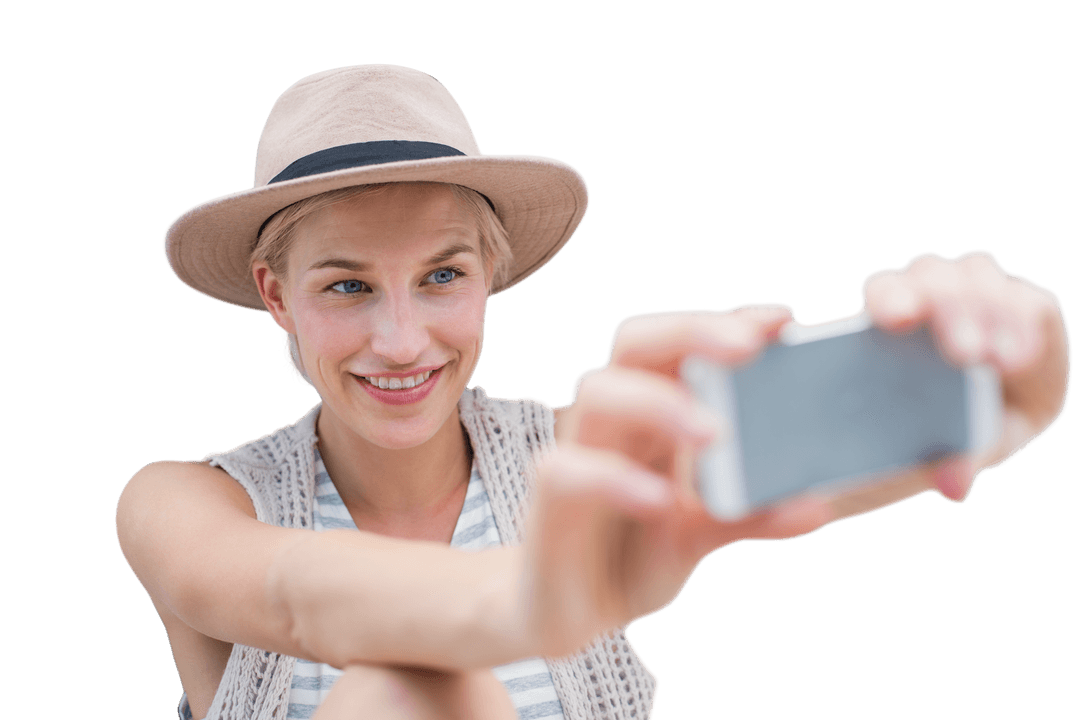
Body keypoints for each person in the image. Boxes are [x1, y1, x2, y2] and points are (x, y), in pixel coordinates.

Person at [115, 64, 1070, 720]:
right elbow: (296, 599)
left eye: (444, 276)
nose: (400, 341)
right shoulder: (189, 503)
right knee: (407, 692)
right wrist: (537, 599)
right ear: (276, 295)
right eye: (347, 286)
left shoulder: (590, 464)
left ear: (491, 274)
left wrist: (1014, 371)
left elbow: (927, 431)